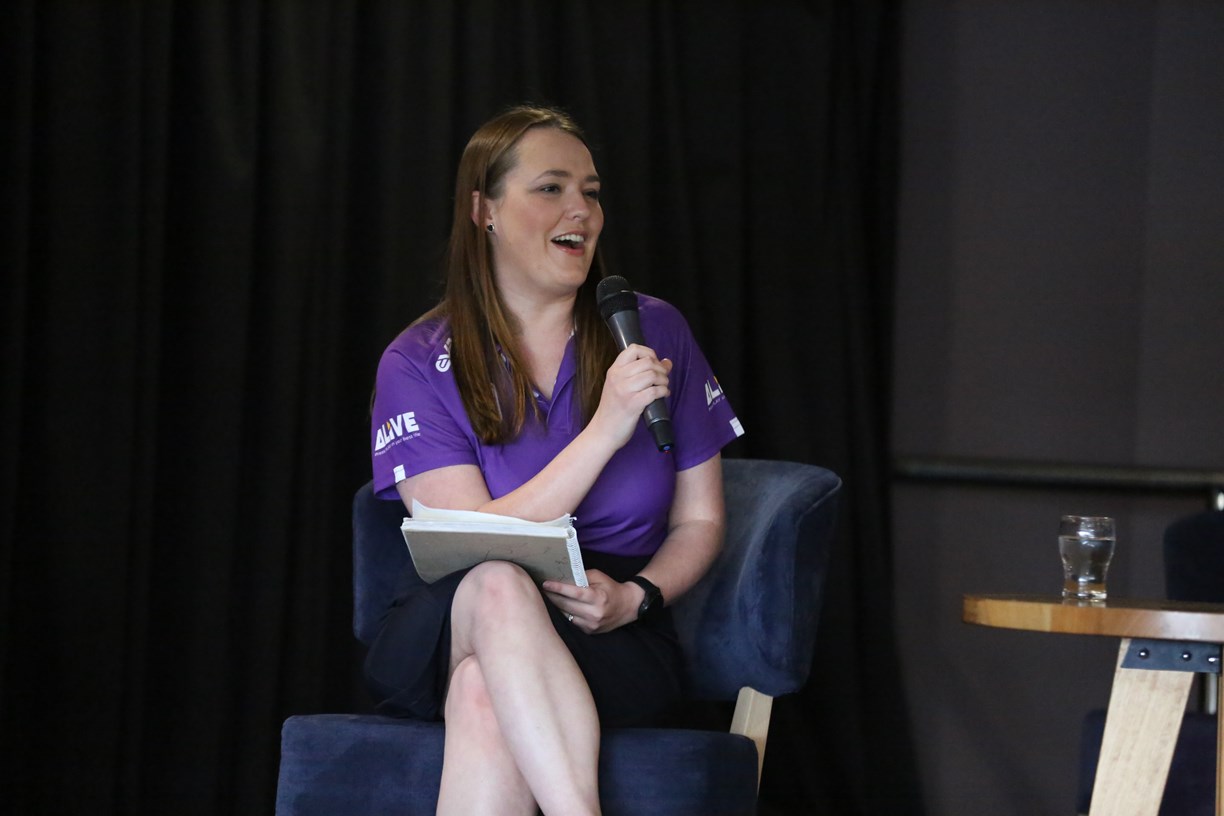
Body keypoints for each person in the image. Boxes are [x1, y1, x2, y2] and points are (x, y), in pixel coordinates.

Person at [366, 104, 744, 816]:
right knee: (499, 585)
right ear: (483, 209)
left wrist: (638, 597)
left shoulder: (654, 329)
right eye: (550, 188)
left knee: (484, 693)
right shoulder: (415, 359)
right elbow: (473, 540)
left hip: (608, 627)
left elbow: (700, 520)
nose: (581, 210)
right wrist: (606, 429)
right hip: (454, 611)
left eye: (591, 192)